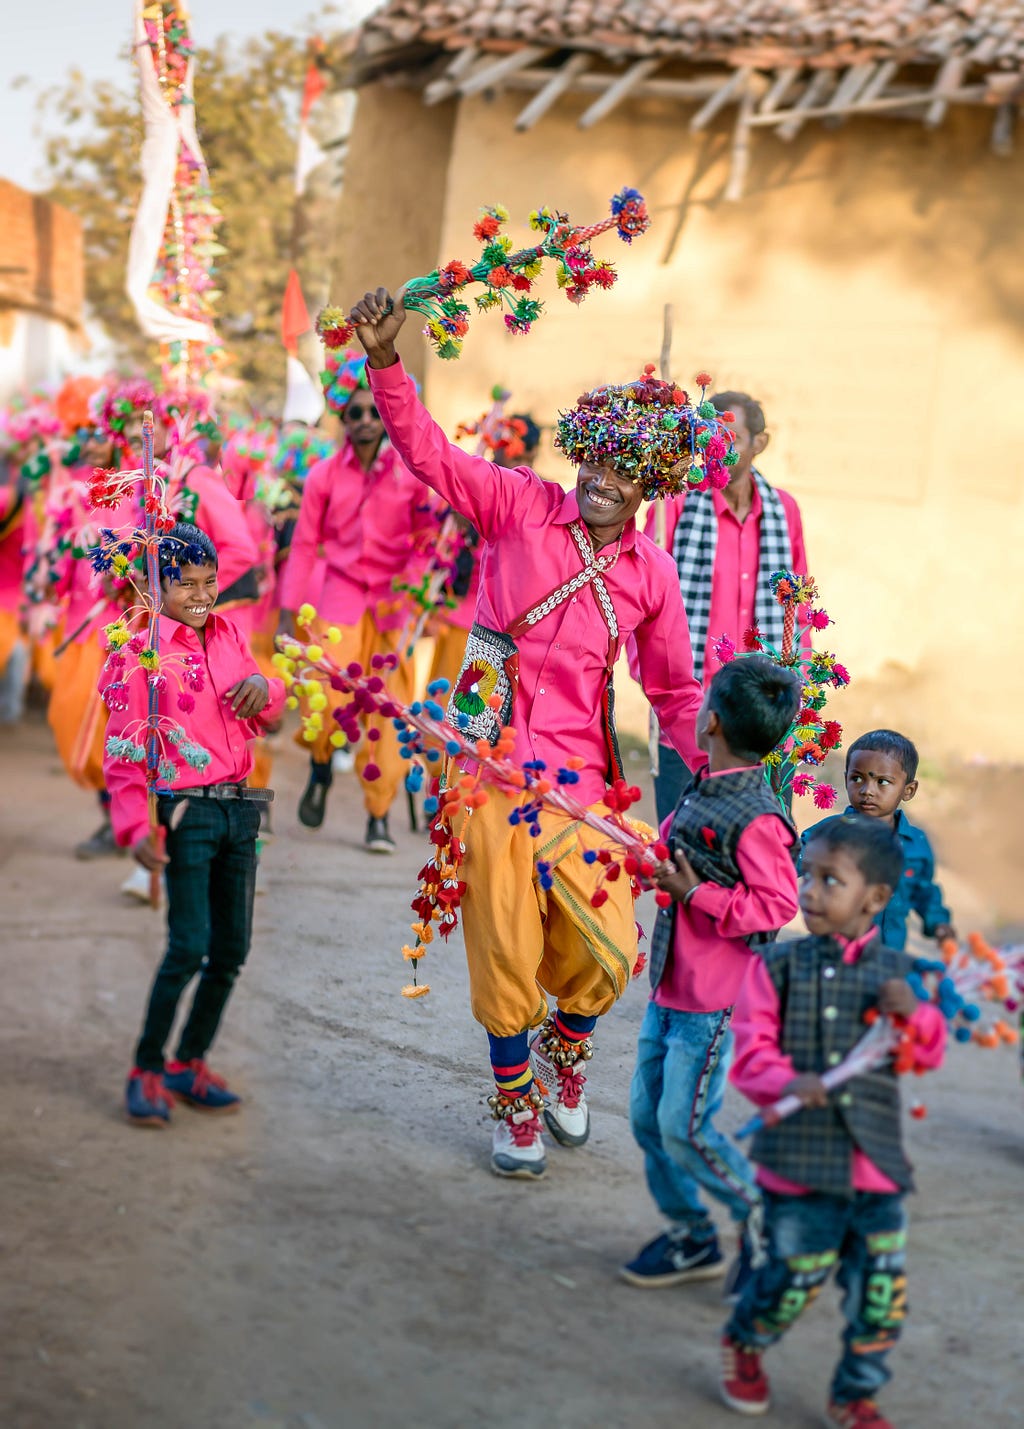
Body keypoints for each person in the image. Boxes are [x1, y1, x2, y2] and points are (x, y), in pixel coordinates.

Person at [348, 285, 713, 1179]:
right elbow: (428, 453)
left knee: (606, 937)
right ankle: (515, 1106)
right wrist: (388, 363)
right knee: (505, 938)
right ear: (580, 454)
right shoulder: (516, 503)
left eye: (621, 472)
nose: (598, 480)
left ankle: (568, 1051)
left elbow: (671, 690)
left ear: (648, 485)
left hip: (587, 778)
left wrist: (726, 770)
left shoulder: (652, 572)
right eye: (593, 461)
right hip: (488, 763)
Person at [719, 815, 946, 1427]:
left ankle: (855, 1394)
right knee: (792, 1283)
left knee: (881, 1299)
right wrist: (789, 1082)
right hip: (799, 1169)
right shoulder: (776, 968)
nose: (808, 891)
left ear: (874, 899)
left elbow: (924, 1052)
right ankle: (746, 1341)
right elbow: (751, 1052)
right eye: (806, 876)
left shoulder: (897, 976)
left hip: (875, 1173)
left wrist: (918, 1017)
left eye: (828, 880)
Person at [623, 655, 801, 1291]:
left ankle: (765, 1218)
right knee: (648, 1121)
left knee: (684, 1128)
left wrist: (696, 895)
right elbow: (672, 843)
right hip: (669, 989)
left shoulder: (758, 817)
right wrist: (646, 855)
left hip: (712, 1006)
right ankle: (692, 1236)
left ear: (712, 722)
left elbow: (776, 907)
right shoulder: (704, 784)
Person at [102, 523, 285, 1126]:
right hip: (187, 811)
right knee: (188, 946)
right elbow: (125, 749)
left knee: (231, 949)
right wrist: (133, 828)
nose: (202, 596)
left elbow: (266, 701)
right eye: (186, 585)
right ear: (158, 586)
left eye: (210, 583)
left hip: (242, 810)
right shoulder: (144, 651)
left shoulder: (232, 633)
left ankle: (188, 1062)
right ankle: (147, 1068)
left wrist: (267, 685)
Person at [277, 349, 436, 853]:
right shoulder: (324, 475)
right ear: (342, 416)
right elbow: (304, 545)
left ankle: (378, 814)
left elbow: (428, 541)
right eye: (355, 412)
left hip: (392, 604)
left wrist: (412, 591)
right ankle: (321, 767)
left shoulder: (411, 474)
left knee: (387, 711)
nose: (366, 421)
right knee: (323, 701)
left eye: (375, 411)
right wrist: (287, 611)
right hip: (338, 598)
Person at [642, 391, 810, 825]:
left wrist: (796, 683)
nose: (718, 445)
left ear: (760, 443)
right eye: (709, 434)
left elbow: (797, 606)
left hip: (761, 711)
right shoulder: (673, 504)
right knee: (685, 843)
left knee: (763, 841)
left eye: (731, 436)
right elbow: (643, 601)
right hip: (691, 709)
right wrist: (660, 683)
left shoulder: (783, 511)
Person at [802, 730, 955, 952]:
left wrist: (939, 923)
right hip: (834, 954)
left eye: (882, 782)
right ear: (846, 779)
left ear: (908, 790)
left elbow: (924, 891)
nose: (867, 791)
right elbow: (792, 856)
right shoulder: (830, 834)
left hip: (888, 957)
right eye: (857, 778)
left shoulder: (916, 845)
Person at [427, 412, 541, 695]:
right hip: (459, 623)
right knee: (445, 715)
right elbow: (431, 545)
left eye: (529, 460)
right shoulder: (469, 493)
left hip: (504, 635)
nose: (523, 469)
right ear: (496, 451)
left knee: (478, 720)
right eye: (516, 459)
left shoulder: (538, 500)